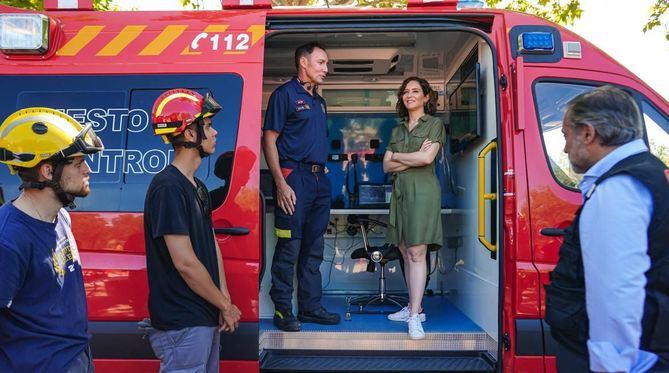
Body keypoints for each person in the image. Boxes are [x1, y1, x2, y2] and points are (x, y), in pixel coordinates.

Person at [544, 85, 668, 372]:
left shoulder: (619, 188)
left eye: (565, 135)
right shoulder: (648, 171)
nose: (564, 148)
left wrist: (610, 365)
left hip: (608, 359)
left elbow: (617, 292)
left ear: (588, 133)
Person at [144, 88, 241, 372]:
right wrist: (223, 305)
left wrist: (224, 301)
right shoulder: (168, 187)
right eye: (208, 126)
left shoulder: (197, 187)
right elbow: (185, 262)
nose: (215, 134)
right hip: (183, 322)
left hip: (203, 315)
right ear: (188, 134)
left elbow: (212, 246)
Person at [0, 107, 104, 372]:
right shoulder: (9, 240)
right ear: (47, 171)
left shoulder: (61, 218)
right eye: (78, 162)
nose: (88, 170)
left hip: (75, 356)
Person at [262, 41, 340, 332]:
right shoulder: (285, 95)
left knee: (314, 247)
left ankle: (310, 308)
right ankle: (283, 310)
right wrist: (280, 184)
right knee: (290, 246)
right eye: (321, 62)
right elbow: (269, 139)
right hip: (293, 178)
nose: (326, 69)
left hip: (320, 181)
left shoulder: (319, 101)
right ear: (303, 63)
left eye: (327, 64)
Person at [383, 76, 445, 340]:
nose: (409, 95)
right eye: (405, 91)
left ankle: (414, 316)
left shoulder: (434, 124)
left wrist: (397, 157)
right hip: (400, 193)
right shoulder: (397, 130)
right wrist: (407, 158)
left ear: (426, 97)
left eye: (415, 91)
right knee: (405, 251)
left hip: (423, 193)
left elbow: (427, 158)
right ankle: (413, 307)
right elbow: (386, 166)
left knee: (418, 252)